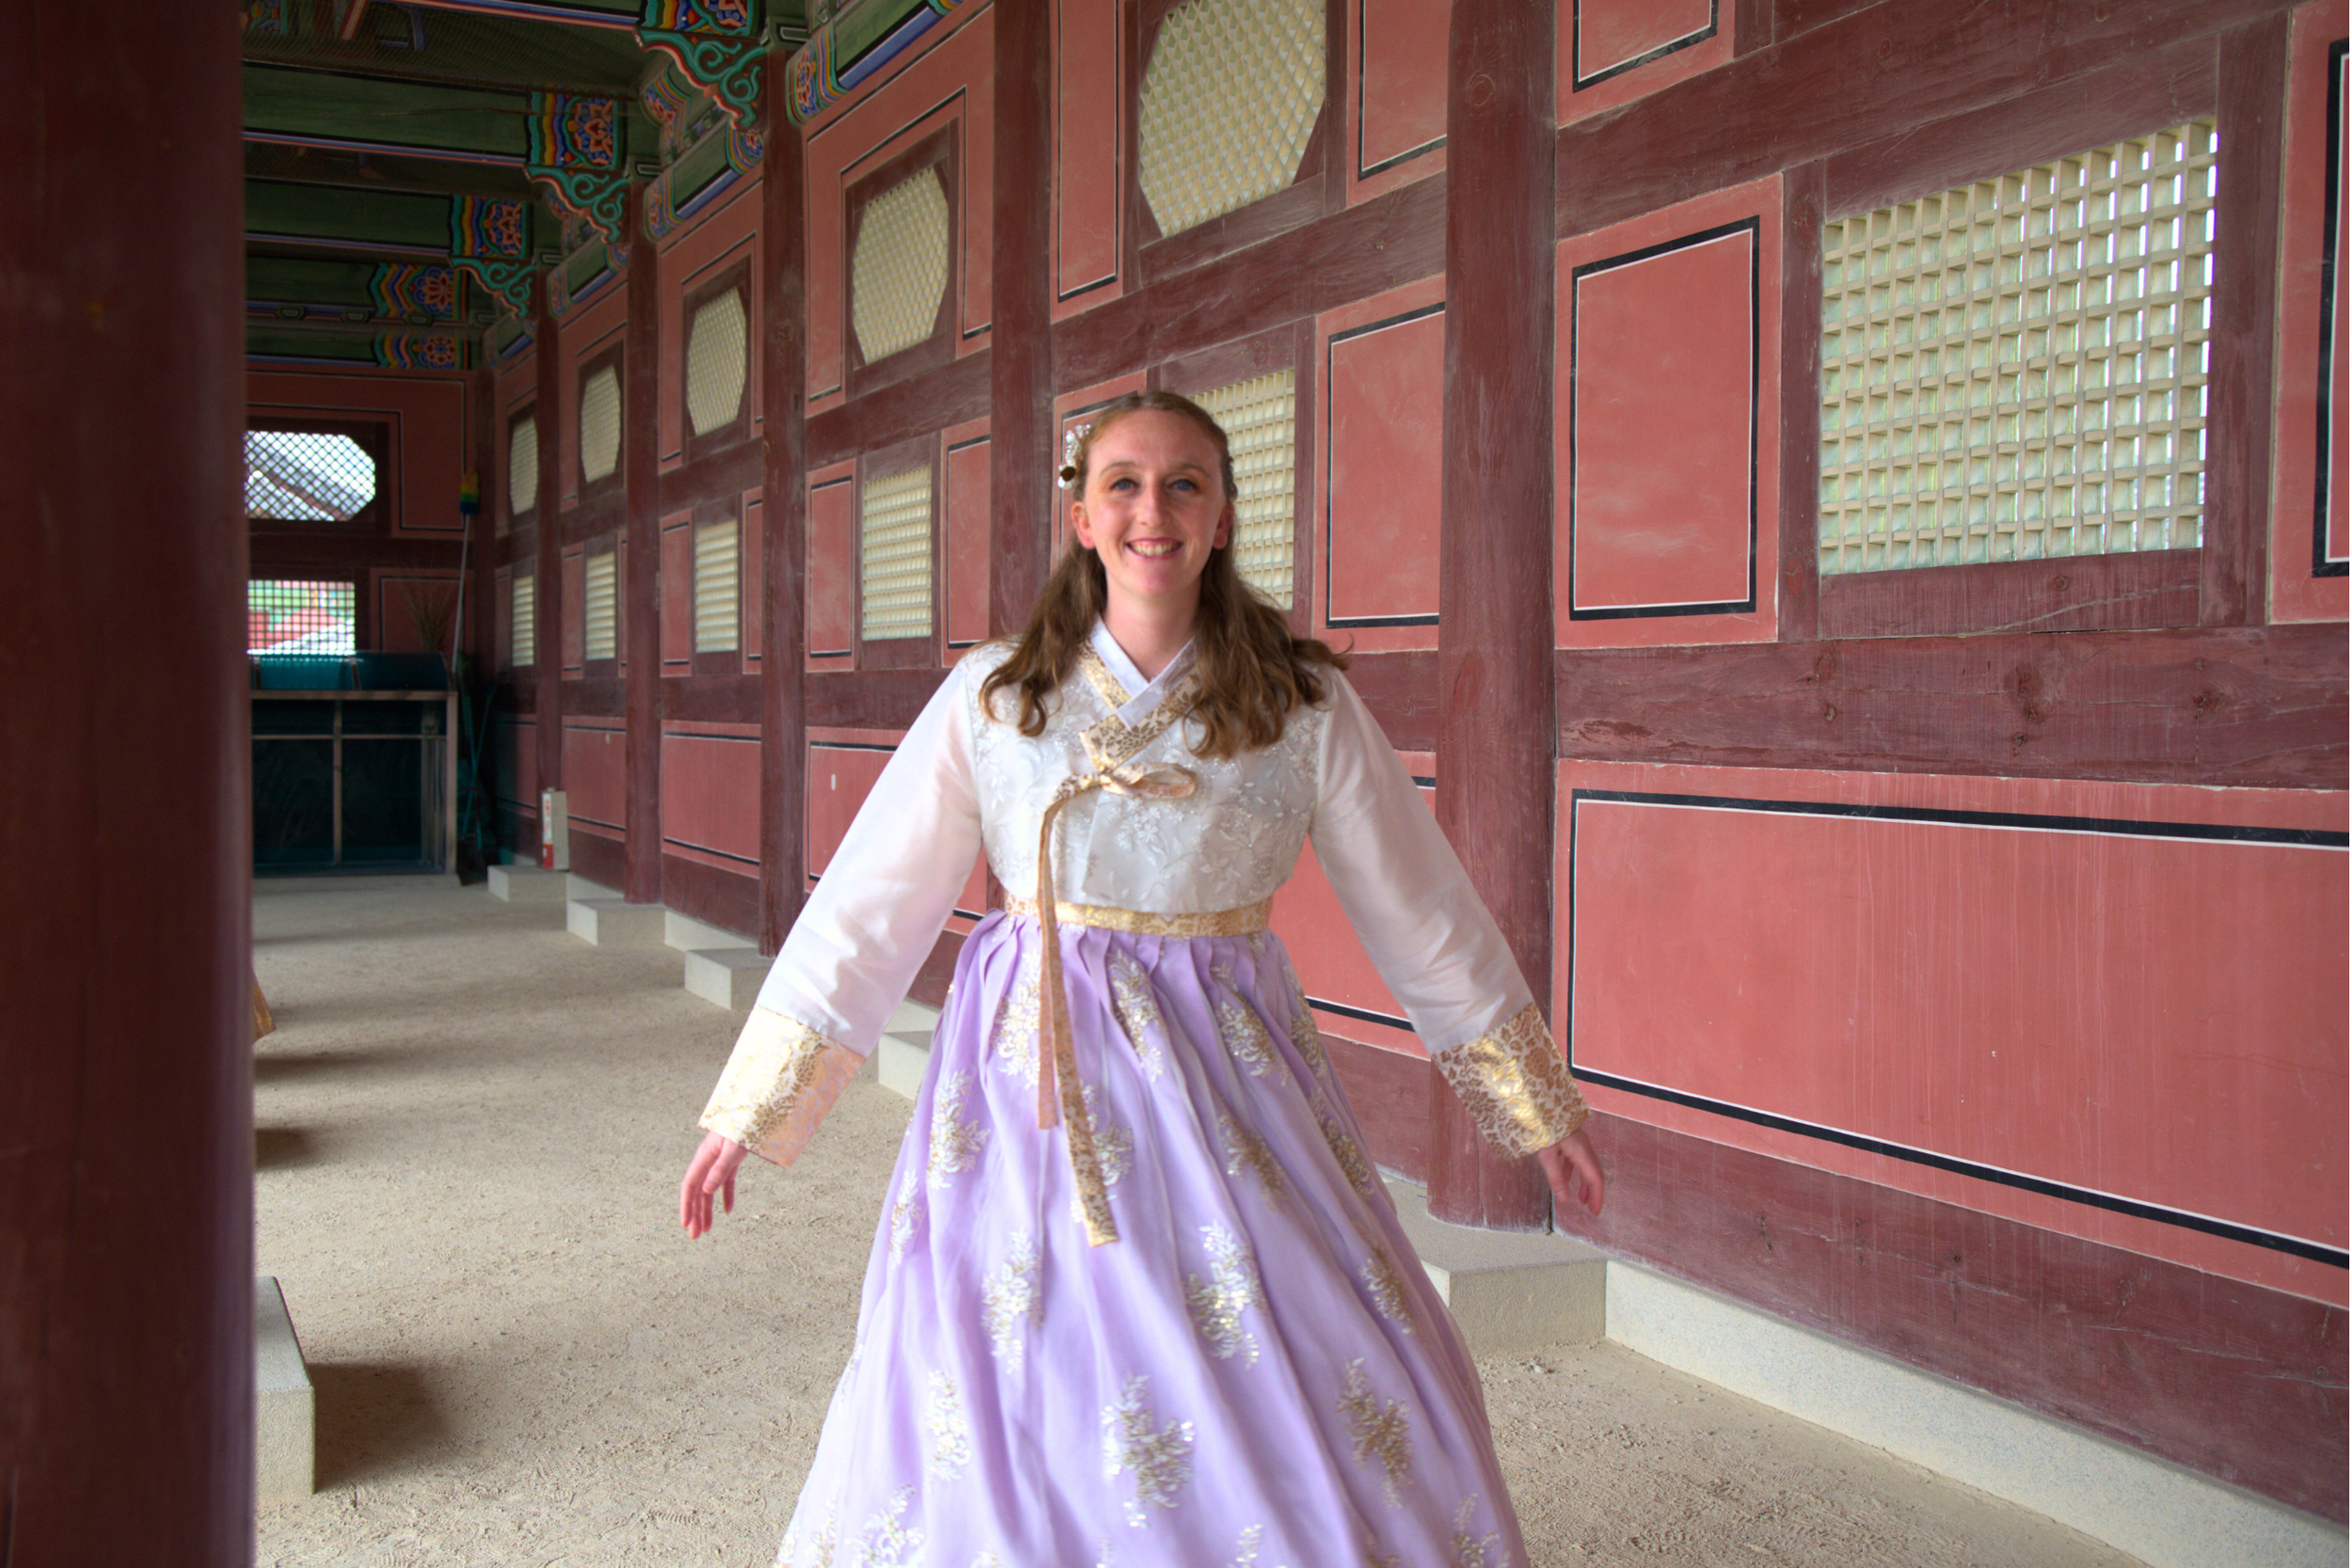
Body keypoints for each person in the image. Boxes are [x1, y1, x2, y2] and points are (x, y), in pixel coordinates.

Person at [679, 389, 1606, 1567]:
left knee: (1279, 1324)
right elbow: (872, 899)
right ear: (1079, 514)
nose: (1150, 511)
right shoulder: (997, 695)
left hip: (1227, 1068)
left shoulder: (1301, 704)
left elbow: (1419, 902)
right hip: (1025, 1078)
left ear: (1222, 516)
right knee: (1014, 1335)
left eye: (1183, 484)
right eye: (1121, 482)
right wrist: (750, 1104)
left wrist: (1529, 1103)